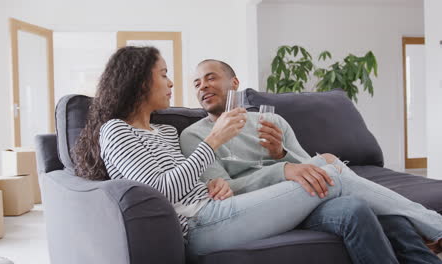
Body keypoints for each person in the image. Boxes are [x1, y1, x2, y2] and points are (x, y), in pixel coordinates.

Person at [72, 46, 442, 263]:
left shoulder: (166, 130)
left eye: (171, 75)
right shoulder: (116, 130)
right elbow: (163, 191)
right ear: (139, 81)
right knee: (330, 170)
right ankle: (435, 226)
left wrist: (216, 182)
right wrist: (213, 144)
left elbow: (191, 181)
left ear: (234, 83)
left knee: (337, 181)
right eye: (164, 75)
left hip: (220, 207)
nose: (173, 83)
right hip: (200, 226)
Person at [180, 59, 442, 262]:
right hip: (263, 210)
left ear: (234, 82)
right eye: (196, 83)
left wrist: (281, 154)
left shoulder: (271, 121)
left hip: (310, 195)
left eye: (210, 78)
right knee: (344, 188)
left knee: (373, 211)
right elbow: (225, 191)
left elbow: (309, 167)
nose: (202, 85)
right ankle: (435, 224)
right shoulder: (194, 136)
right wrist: (283, 169)